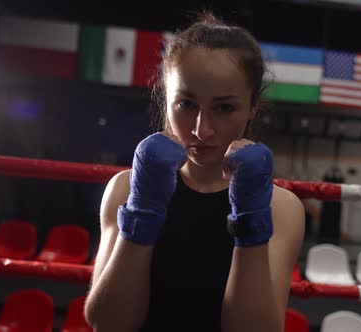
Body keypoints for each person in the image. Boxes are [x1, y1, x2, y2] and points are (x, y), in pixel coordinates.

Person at [84, 12, 305, 332]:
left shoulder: (280, 208)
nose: (202, 130)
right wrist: (141, 213)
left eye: (224, 107)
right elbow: (107, 323)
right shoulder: (125, 188)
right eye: (186, 104)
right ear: (166, 98)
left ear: (252, 106)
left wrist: (251, 220)